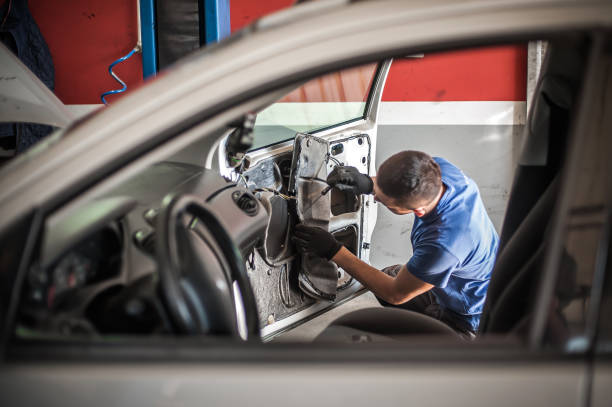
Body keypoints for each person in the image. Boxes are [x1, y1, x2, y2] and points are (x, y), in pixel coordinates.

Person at [293, 150, 499, 337]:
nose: (376, 198)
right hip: (455, 285)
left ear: (418, 211)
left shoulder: (443, 245)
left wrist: (334, 251)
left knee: (388, 294)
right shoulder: (438, 170)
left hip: (466, 316)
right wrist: (368, 183)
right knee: (387, 276)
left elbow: (396, 294)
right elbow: (404, 177)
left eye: (383, 200)